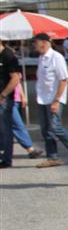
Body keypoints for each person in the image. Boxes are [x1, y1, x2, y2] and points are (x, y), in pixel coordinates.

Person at [32, 33, 68, 168]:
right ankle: (52, 157)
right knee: (46, 130)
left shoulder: (56, 57)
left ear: (43, 42)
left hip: (54, 98)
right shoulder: (41, 58)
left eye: (35, 43)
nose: (34, 46)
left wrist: (56, 100)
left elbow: (63, 80)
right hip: (42, 99)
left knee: (55, 127)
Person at [0, 40, 24, 168]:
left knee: (6, 129)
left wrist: (3, 95)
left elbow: (15, 78)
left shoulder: (8, 55)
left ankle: (7, 159)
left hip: (5, 99)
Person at [11, 78, 43, 158]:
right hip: (8, 100)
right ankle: (30, 149)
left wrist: (22, 95)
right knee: (17, 125)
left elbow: (17, 81)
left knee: (12, 125)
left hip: (15, 99)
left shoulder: (12, 67)